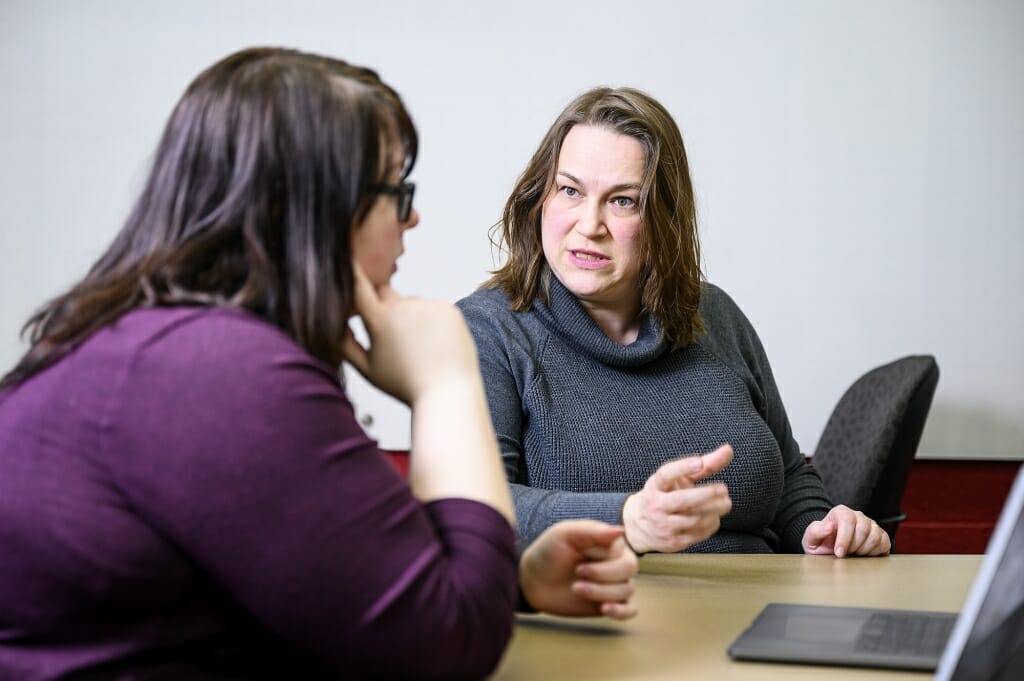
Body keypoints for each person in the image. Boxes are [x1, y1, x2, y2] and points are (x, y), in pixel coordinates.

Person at [0, 49, 638, 681]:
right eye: (396, 190)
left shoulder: (155, 349)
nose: (411, 217)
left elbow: (314, 576)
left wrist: (515, 581)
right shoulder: (218, 376)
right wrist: (445, 380)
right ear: (316, 210)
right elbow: (450, 646)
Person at [457, 86, 891, 558]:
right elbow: (475, 507)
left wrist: (822, 527)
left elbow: (787, 477)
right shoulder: (487, 331)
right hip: (610, 616)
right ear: (539, 197)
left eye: (623, 200)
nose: (589, 224)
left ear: (664, 218)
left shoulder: (715, 315)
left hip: (762, 613)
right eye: (570, 191)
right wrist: (626, 520)